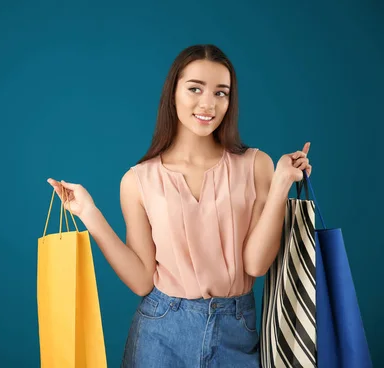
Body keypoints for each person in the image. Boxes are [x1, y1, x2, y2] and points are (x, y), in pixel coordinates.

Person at [47, 44, 311, 367]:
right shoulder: (138, 181)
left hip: (236, 331)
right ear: (173, 93)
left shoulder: (256, 166)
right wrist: (89, 213)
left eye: (221, 93)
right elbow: (143, 279)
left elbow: (255, 265)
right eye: (195, 89)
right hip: (160, 335)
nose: (207, 104)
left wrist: (282, 183)